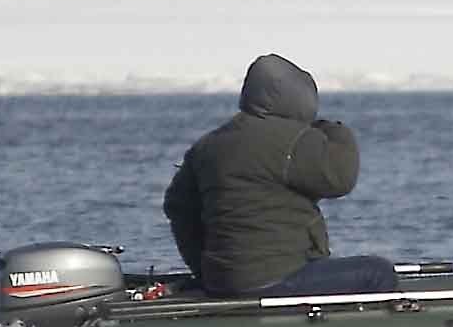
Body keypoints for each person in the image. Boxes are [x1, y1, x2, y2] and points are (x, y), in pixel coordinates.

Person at [164, 53, 398, 298]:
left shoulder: (208, 144)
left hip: (221, 281)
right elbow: (340, 178)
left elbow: (178, 208)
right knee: (378, 272)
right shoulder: (295, 139)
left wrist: (203, 269)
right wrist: (335, 129)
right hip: (276, 279)